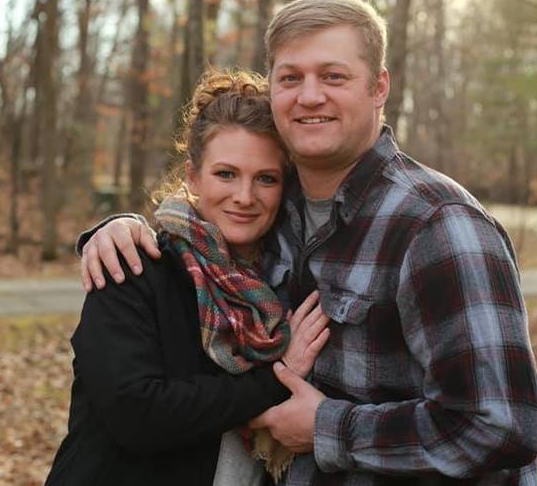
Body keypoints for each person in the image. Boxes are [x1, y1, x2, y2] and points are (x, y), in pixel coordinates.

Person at [78, 0, 537, 485]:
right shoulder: (275, 212)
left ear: (379, 87)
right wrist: (118, 227)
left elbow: (500, 425)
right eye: (290, 78)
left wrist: (330, 429)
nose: (309, 96)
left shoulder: (436, 224)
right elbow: (197, 227)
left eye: (333, 76)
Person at [46, 69, 331, 486]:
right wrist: (276, 378)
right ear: (193, 176)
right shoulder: (134, 266)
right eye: (226, 174)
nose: (244, 196)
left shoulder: (279, 287)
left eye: (266, 178)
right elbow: (137, 414)